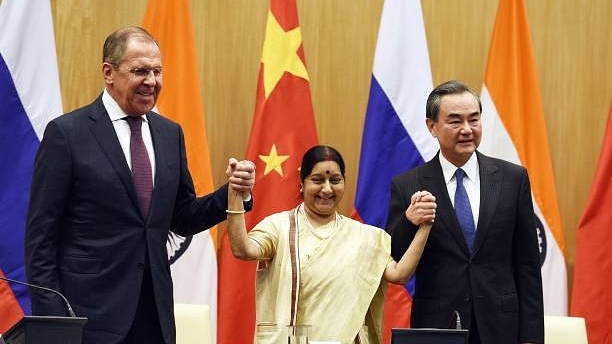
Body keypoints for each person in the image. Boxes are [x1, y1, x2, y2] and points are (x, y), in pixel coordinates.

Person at [24, 26, 256, 344]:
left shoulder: (169, 134)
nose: (151, 81)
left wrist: (231, 193)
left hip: (153, 317)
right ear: (109, 72)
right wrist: (55, 326)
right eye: (139, 71)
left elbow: (183, 217)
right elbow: (41, 239)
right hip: (88, 317)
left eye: (157, 71)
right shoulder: (67, 134)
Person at [225, 145, 435, 344]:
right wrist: (235, 194)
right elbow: (243, 249)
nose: (327, 189)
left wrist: (425, 225)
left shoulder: (365, 236)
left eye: (335, 180)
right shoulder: (278, 227)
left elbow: (400, 274)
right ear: (302, 182)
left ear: (344, 182)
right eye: (317, 180)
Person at [386, 80, 544, 344]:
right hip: (437, 326)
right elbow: (393, 258)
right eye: (455, 121)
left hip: (501, 326)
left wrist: (531, 337)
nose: (467, 130)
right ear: (431, 126)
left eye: (474, 119)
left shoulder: (512, 179)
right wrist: (410, 221)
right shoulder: (408, 185)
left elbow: (527, 265)